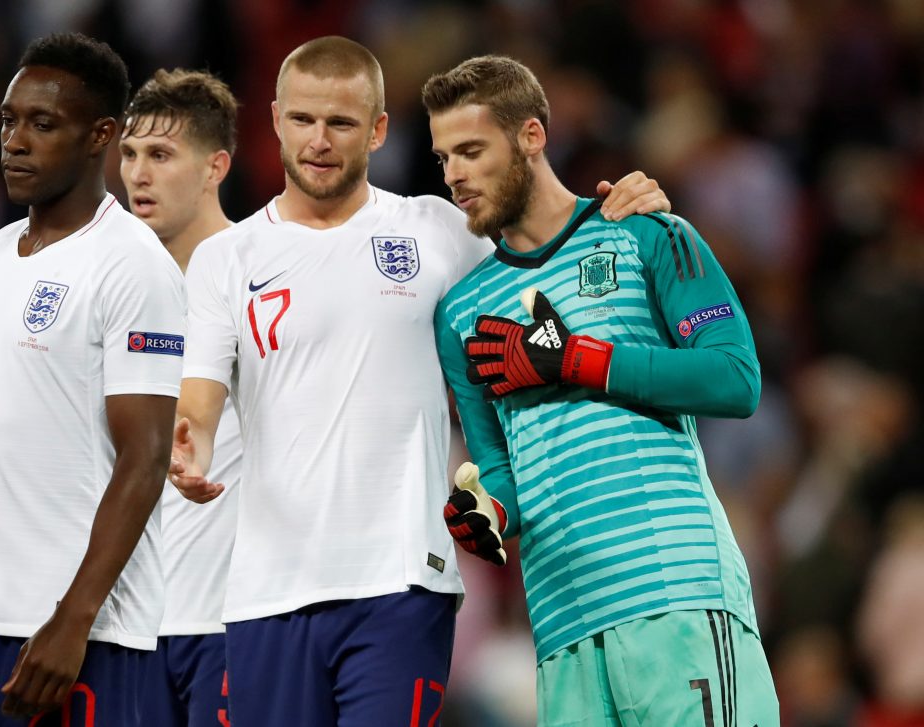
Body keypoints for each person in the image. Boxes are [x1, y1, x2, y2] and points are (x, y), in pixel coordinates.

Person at [168, 35, 670, 727]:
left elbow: (549, 262)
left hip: (401, 581)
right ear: (276, 119)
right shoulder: (224, 259)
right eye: (303, 119)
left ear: (378, 129)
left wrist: (619, 210)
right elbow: (199, 400)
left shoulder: (439, 231)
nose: (319, 140)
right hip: (264, 591)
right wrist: (188, 447)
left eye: (341, 122)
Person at [425, 55, 780, 726]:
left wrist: (577, 359)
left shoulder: (646, 231)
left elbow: (734, 377)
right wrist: (487, 512)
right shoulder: (462, 313)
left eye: (471, 151)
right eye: (443, 158)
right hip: (562, 627)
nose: (454, 176)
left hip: (675, 593)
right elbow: (497, 463)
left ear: (531, 136)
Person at [0, 33, 186, 724]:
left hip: (78, 631)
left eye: (42, 124)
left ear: (101, 136)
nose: (15, 141)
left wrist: (73, 619)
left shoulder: (132, 265)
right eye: (8, 120)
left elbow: (145, 457)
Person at [118, 67, 241, 727]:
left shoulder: (263, 273)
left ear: (215, 166)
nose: (138, 174)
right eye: (130, 153)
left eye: (161, 155)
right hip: (129, 628)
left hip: (230, 620)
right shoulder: (114, 291)